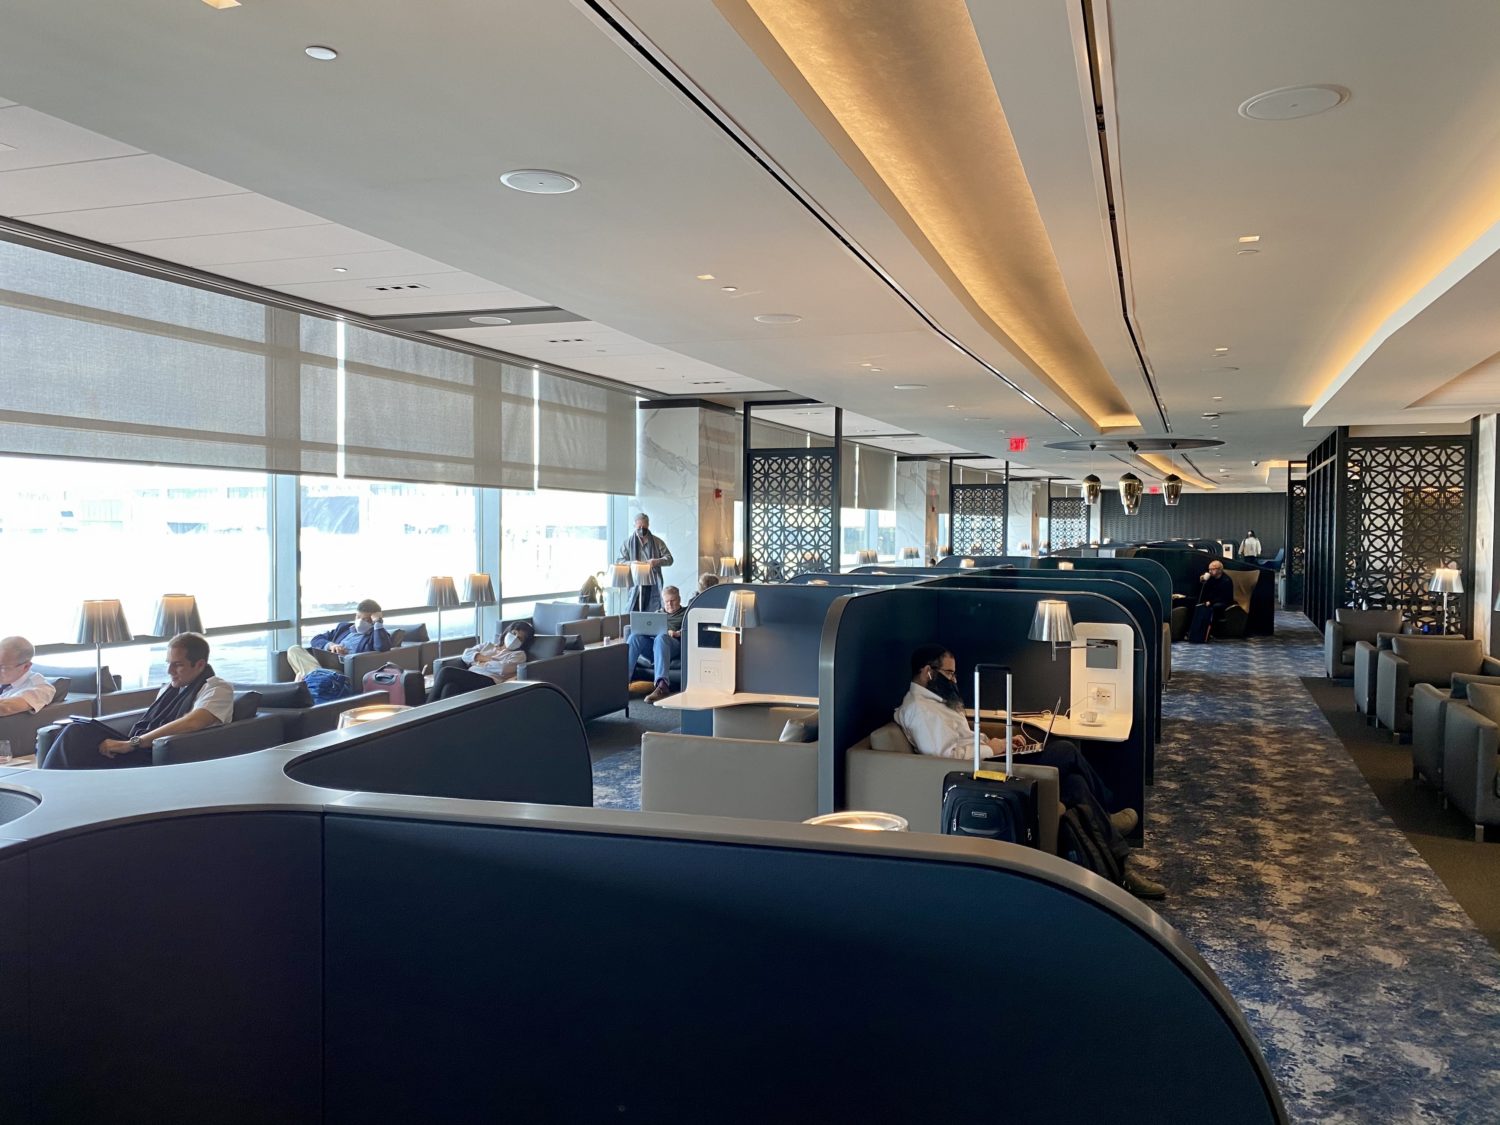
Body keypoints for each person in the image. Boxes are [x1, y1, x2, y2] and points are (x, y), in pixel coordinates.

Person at [895, 644, 1166, 900]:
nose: (954, 680)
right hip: (979, 777)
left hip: (988, 759)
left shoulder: (937, 702)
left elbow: (962, 741)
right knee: (1067, 751)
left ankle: (1122, 869)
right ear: (928, 672)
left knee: (1074, 785)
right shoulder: (921, 710)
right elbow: (948, 758)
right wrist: (996, 749)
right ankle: (1106, 815)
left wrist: (992, 742)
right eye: (949, 673)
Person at [40, 633, 232, 770]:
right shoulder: (170, 689)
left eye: (178, 665)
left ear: (199, 664)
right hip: (141, 747)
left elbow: (194, 722)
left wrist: (132, 743)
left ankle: (48, 788)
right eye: (169, 663)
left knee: (75, 738)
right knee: (77, 730)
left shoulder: (217, 688)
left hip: (157, 753)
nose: (169, 671)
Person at [427, 621, 536, 701]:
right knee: (449, 688)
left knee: (446, 672)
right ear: (508, 631)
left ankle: (423, 712)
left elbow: (503, 669)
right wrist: (488, 660)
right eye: (514, 633)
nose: (515, 638)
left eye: (520, 638)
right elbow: (466, 654)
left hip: (489, 682)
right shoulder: (488, 645)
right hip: (471, 676)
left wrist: (479, 659)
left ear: (523, 643)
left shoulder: (519, 655)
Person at [628, 585, 687, 705]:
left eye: (673, 600)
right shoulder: (657, 614)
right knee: (635, 637)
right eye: (666, 601)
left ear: (679, 599)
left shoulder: (686, 613)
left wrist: (677, 633)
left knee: (661, 637)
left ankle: (662, 686)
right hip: (655, 646)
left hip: (674, 645)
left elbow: (691, 630)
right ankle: (622, 681)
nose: (669, 604)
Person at [618, 513, 673, 611]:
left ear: (648, 525)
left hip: (653, 582)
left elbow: (669, 559)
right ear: (634, 525)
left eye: (644, 526)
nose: (642, 528)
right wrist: (632, 564)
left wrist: (657, 561)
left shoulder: (657, 542)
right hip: (635, 582)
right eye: (639, 526)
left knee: (654, 609)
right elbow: (620, 561)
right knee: (633, 609)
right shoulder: (627, 543)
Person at [310, 599, 391, 656]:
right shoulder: (343, 628)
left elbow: (382, 647)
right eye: (358, 617)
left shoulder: (377, 635)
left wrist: (378, 622)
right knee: (297, 649)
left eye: (366, 619)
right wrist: (331, 646)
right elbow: (316, 639)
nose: (360, 621)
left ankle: (311, 673)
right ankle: (313, 673)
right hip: (328, 661)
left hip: (343, 668)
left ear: (373, 620)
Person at [0, 636, 55, 717]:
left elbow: (6, 708)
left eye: (3, 667)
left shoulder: (42, 689)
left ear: (26, 666)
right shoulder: (5, 679)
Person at [1198, 559, 1235, 624]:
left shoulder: (1226, 581)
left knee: (1216, 606)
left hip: (1223, 602)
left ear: (1219, 570)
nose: (1210, 571)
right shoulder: (1211, 578)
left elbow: (1224, 597)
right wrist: (1202, 581)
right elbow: (1207, 592)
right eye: (1209, 569)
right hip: (1212, 600)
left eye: (1212, 569)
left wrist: (1211, 602)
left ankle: (1211, 628)